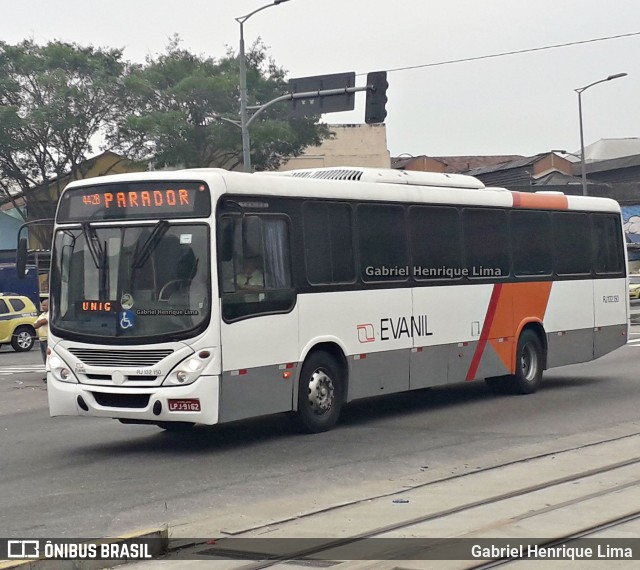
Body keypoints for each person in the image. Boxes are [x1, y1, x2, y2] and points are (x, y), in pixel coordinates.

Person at [34, 299, 49, 382]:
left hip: (48, 339)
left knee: (49, 359)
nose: (43, 307)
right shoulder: (42, 314)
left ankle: (50, 376)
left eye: (45, 305)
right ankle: (47, 374)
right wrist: (39, 322)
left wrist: (39, 322)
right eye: (42, 305)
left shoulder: (51, 314)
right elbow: (35, 325)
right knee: (45, 358)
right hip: (42, 339)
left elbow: (43, 322)